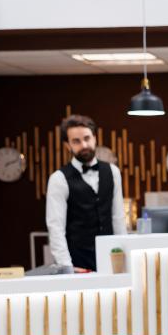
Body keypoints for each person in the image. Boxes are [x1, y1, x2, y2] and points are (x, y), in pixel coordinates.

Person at [45, 114, 126, 271]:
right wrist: (66, 267)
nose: (84, 145)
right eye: (76, 141)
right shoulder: (59, 179)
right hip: (77, 262)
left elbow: (118, 219)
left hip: (110, 259)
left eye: (87, 138)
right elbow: (56, 228)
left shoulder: (113, 172)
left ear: (95, 138)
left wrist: (123, 256)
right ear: (67, 145)